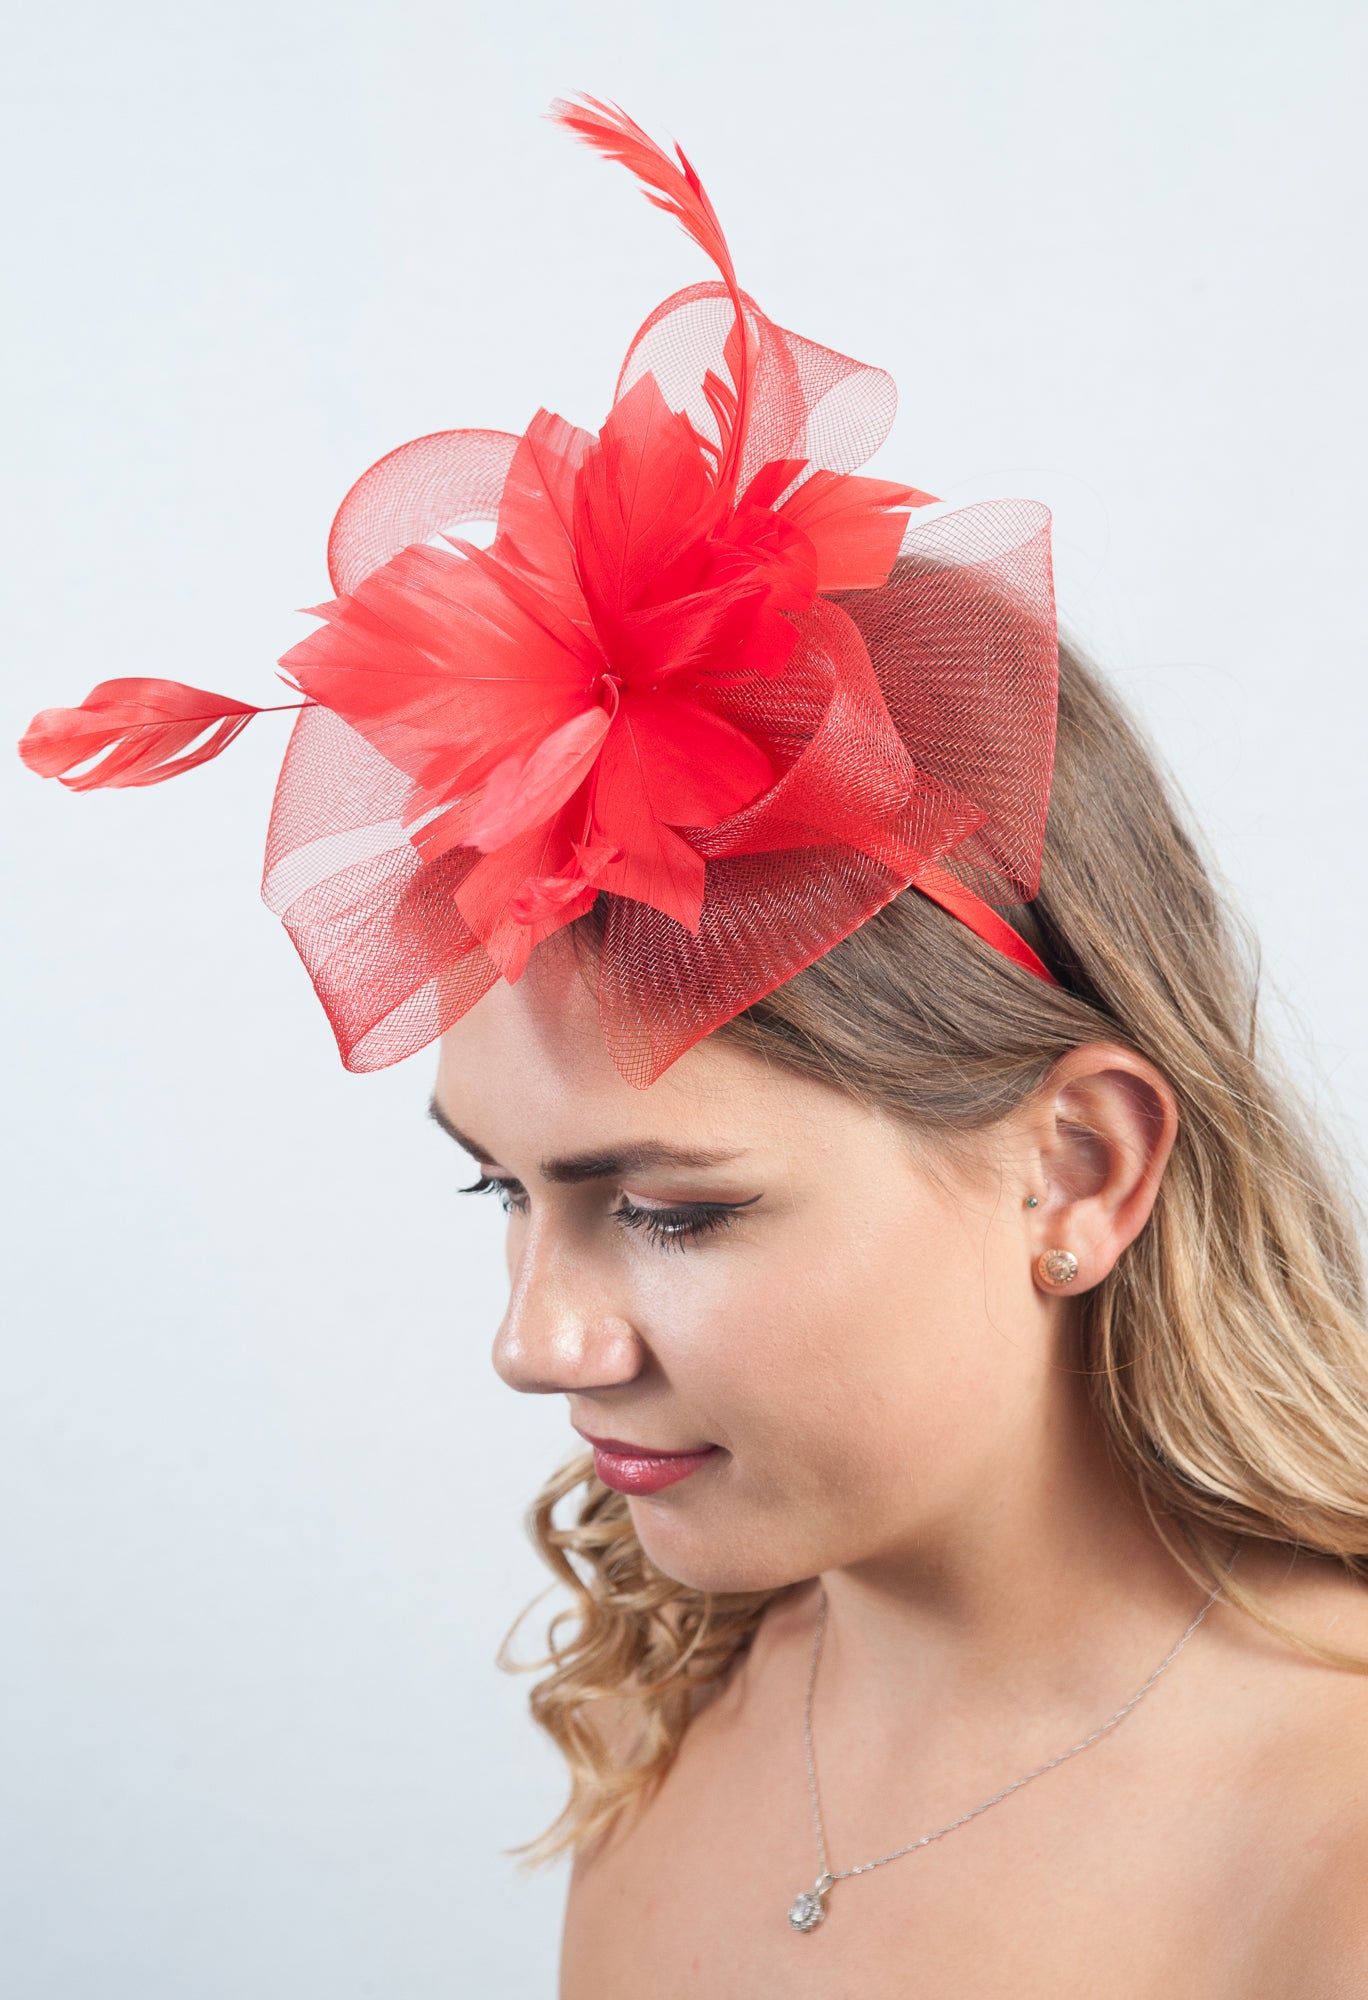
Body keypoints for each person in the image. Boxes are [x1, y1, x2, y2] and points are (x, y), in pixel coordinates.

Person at [21, 96, 1368, 1997]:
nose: (534, 1339)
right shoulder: (680, 1700)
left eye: (667, 1211)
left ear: (1079, 1169)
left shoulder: (1330, 1844)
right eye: (504, 1186)